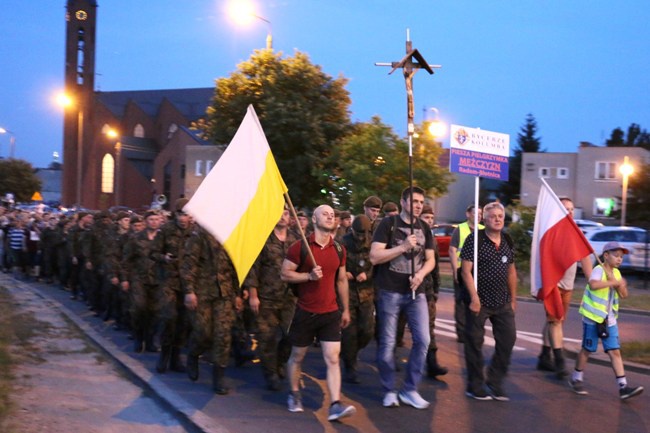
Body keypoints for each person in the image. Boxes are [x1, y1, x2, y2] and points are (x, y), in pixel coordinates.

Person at [281, 204, 356, 422]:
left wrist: (346, 309)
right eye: (325, 213)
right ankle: (294, 393)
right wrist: (308, 277)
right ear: (314, 219)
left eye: (332, 214)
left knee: (333, 358)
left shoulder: (339, 249)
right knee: (297, 356)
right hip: (305, 311)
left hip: (330, 312)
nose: (330, 216)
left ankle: (335, 404)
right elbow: (285, 274)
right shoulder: (299, 247)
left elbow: (341, 280)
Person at [370, 186, 435, 410]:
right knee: (388, 344)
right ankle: (389, 390)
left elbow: (431, 260)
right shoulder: (388, 225)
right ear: (403, 202)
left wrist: (421, 274)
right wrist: (403, 246)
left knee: (423, 340)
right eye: (414, 201)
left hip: (416, 292)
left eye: (421, 202)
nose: (418, 205)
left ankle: (409, 389)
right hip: (389, 291)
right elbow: (375, 256)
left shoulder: (425, 228)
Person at [568, 242, 644, 400]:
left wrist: (620, 285)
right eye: (616, 255)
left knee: (614, 351)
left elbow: (624, 295)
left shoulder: (616, 273)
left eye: (621, 257)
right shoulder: (598, 270)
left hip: (609, 319)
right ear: (606, 255)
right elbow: (593, 284)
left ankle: (623, 386)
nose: (619, 259)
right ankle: (576, 378)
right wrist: (613, 282)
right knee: (588, 349)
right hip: (593, 318)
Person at [460, 202, 517, 401]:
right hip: (479, 301)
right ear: (484, 219)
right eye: (493, 216)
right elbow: (465, 271)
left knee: (508, 340)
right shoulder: (474, 240)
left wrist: (513, 299)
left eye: (501, 215)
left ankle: (495, 381)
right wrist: (474, 297)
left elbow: (511, 271)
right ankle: (475, 385)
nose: (498, 219)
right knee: (474, 343)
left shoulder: (507, 240)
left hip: (502, 301)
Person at [181, 224, 242, 395]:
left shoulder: (231, 235)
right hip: (203, 292)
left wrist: (237, 293)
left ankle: (219, 377)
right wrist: (189, 291)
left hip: (225, 293)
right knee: (203, 332)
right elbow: (188, 264)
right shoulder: (199, 234)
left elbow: (235, 266)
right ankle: (193, 354)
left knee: (223, 335)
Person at [537, 197, 593, 378]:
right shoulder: (551, 231)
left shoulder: (576, 232)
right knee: (555, 321)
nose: (568, 212)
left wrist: (592, 280)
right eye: (565, 208)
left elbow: (584, 255)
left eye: (571, 209)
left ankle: (544, 355)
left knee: (556, 321)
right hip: (553, 284)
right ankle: (559, 361)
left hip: (567, 286)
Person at [243, 207, 298, 391]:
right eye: (279, 213)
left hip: (289, 296)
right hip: (266, 297)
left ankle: (280, 363)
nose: (283, 216)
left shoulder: (295, 240)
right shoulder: (263, 239)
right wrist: (253, 295)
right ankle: (270, 374)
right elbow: (253, 268)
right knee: (267, 338)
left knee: (291, 334)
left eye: (286, 213)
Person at [152, 198, 194, 374]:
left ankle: (176, 357)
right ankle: (164, 356)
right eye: (180, 214)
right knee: (169, 318)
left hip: (188, 284)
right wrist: (164, 258)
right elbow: (153, 252)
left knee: (183, 322)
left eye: (186, 214)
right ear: (175, 214)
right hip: (169, 281)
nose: (183, 218)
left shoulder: (196, 232)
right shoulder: (166, 230)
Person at [120, 210, 163, 353]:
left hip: (158, 280)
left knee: (154, 312)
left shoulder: (163, 239)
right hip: (139, 278)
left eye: (157, 219)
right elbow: (126, 260)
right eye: (151, 219)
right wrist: (125, 279)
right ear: (146, 221)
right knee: (139, 309)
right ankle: (138, 338)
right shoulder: (136, 238)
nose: (154, 222)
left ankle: (150, 341)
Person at [340, 214, 375, 384]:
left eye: (364, 233)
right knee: (349, 333)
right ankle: (350, 366)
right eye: (358, 233)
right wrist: (343, 272)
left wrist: (366, 274)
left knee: (367, 330)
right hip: (348, 293)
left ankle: (350, 352)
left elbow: (377, 265)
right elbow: (335, 264)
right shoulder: (343, 242)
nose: (361, 237)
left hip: (366, 293)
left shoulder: (373, 243)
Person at [419, 204, 448, 378]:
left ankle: (431, 363)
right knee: (397, 327)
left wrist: (436, 289)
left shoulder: (433, 239)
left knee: (429, 326)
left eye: (431, 218)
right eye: (426, 217)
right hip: (407, 289)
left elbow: (435, 267)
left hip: (427, 289)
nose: (429, 221)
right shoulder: (413, 236)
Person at [448, 204, 484, 343]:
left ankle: (474, 329)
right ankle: (462, 332)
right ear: (468, 214)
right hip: (461, 270)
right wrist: (454, 270)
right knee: (461, 302)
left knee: (477, 300)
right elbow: (452, 250)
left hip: (479, 271)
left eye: (481, 213)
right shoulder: (460, 229)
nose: (479, 216)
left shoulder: (483, 229)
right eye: (476, 213)